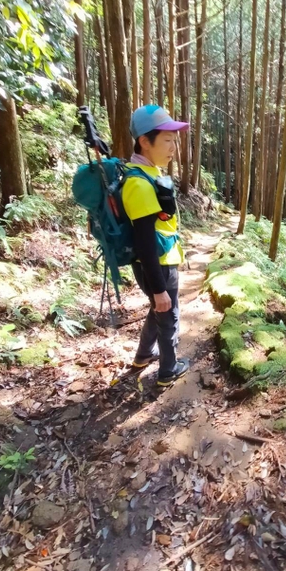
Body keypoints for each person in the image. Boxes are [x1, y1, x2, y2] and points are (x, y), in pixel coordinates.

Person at [121, 105, 190, 388]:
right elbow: (145, 243)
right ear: (144, 142)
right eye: (167, 140)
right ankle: (168, 370)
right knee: (168, 312)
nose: (174, 147)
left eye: (175, 140)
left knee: (158, 308)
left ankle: (143, 356)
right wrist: (160, 288)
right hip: (157, 263)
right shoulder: (139, 183)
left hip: (162, 258)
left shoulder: (146, 172)